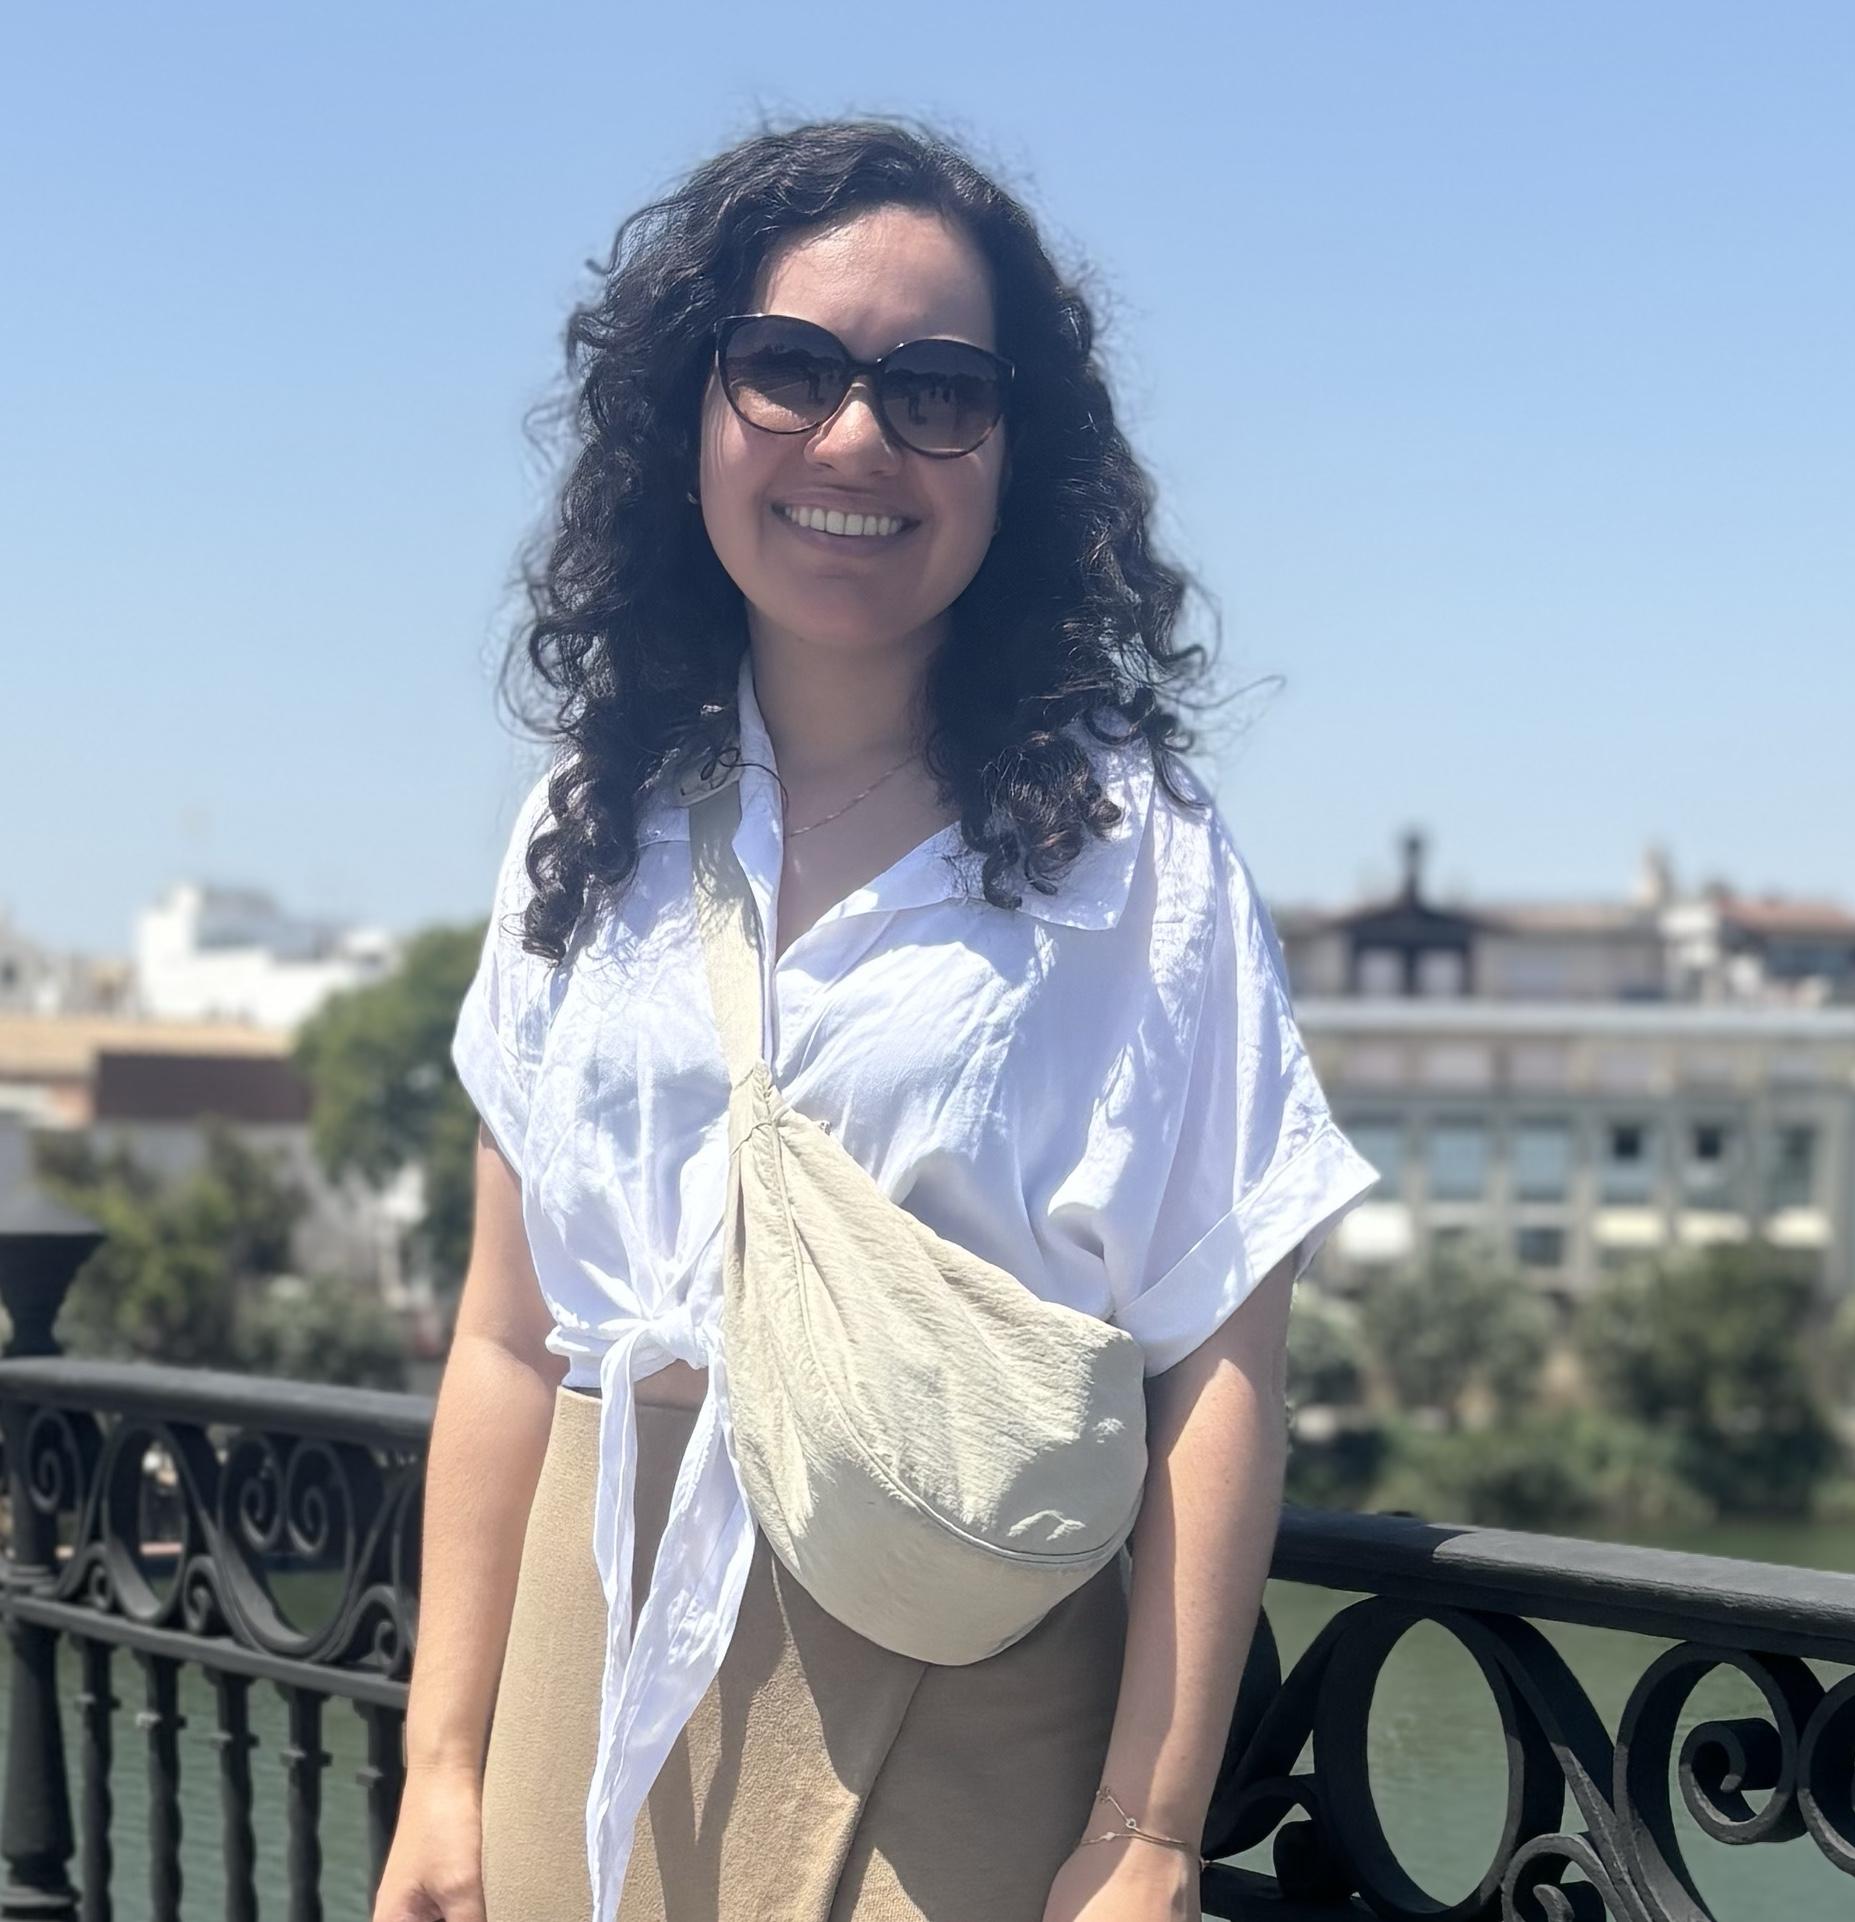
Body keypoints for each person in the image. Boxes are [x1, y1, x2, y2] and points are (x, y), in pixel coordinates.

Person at [372, 116, 1379, 1922]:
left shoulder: (1130, 851)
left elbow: (1217, 1355)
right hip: (586, 1661)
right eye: (786, 367)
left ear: (1014, 450)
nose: (854, 440)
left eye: (935, 390)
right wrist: (441, 1772)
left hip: (958, 1688)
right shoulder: (591, 820)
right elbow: (511, 1341)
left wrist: (1148, 1831)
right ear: (687, 415)